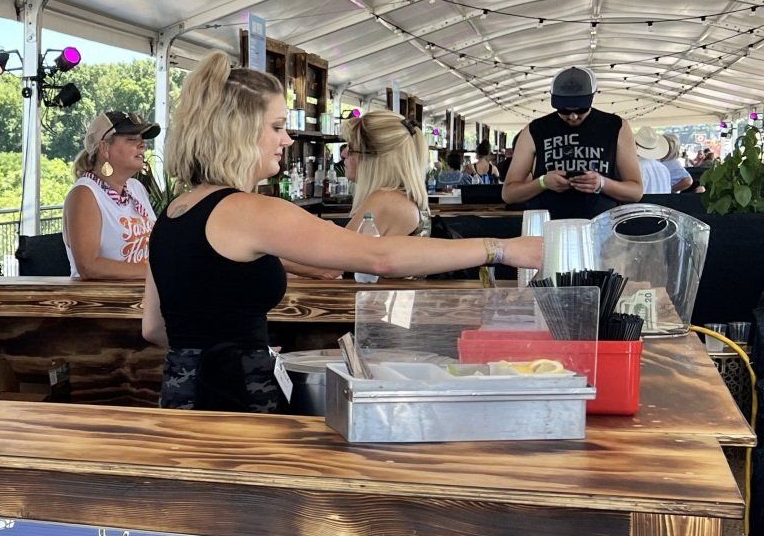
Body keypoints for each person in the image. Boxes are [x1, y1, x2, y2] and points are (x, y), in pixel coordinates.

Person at [140, 55, 544, 412]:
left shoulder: (175, 212)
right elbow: (379, 256)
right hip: (238, 400)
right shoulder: (252, 211)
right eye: (277, 126)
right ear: (241, 131)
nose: (287, 138)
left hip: (180, 396)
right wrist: (500, 249)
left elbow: (154, 329)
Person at [501, 66, 643, 216]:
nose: (573, 116)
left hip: (600, 226)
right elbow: (509, 194)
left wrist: (601, 183)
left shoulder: (616, 127)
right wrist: (543, 183)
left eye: (581, 109)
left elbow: (635, 192)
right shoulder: (535, 130)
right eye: (564, 111)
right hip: (548, 227)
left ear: (592, 97)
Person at [63, 109, 157, 279]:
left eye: (142, 140)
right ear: (105, 148)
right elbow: (88, 265)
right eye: (132, 139)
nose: (143, 145)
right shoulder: (85, 194)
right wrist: (159, 272)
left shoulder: (135, 188)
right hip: (104, 302)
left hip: (140, 299)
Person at [343, 111, 432, 237]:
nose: (343, 154)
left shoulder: (385, 201)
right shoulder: (404, 199)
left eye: (351, 148)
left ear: (376, 160)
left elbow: (338, 253)